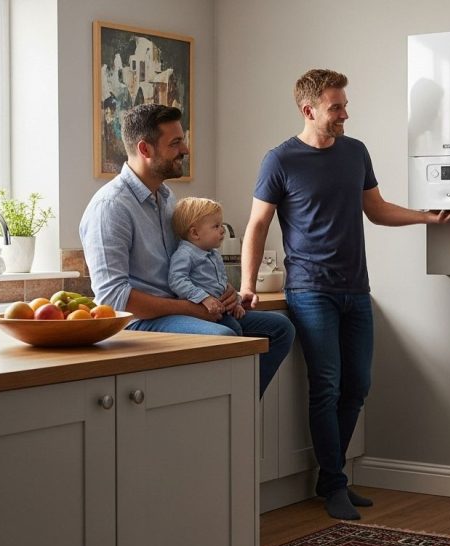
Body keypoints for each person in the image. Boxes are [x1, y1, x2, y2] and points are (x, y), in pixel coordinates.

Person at [240, 69, 450, 521]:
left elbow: (375, 210)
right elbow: (257, 226)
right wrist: (247, 286)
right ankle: (335, 482)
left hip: (356, 288)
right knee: (326, 386)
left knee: (357, 386)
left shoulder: (355, 152)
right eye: (336, 106)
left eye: (344, 104)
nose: (345, 113)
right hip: (309, 290)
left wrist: (428, 218)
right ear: (310, 110)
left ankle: (330, 477)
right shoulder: (280, 160)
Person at [80, 104, 294, 397]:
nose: (186, 149)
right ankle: (227, 417)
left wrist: (223, 291)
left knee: (280, 329)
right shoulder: (110, 207)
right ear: (145, 149)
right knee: (225, 337)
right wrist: (191, 308)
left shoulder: (167, 198)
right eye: (175, 143)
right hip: (139, 323)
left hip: (183, 307)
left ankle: (238, 412)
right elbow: (113, 298)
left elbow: (187, 263)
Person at [168, 197, 247, 335]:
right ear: (195, 233)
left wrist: (236, 304)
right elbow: (177, 280)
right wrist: (203, 298)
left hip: (220, 309)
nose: (222, 230)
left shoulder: (214, 254)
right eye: (216, 226)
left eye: (221, 225)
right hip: (201, 312)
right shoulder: (184, 254)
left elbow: (221, 284)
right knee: (234, 330)